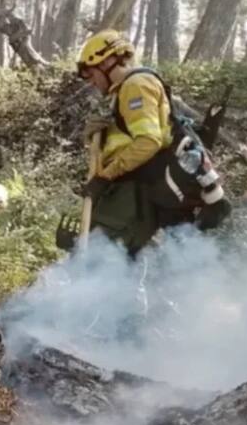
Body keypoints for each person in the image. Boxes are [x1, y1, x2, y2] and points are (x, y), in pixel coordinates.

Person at [68, 30, 229, 257]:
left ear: (107, 62)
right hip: (133, 187)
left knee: (100, 256)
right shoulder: (124, 90)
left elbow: (148, 141)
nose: (91, 82)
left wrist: (105, 176)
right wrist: (96, 135)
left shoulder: (136, 86)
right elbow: (127, 140)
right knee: (108, 257)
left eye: (91, 74)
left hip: (140, 187)